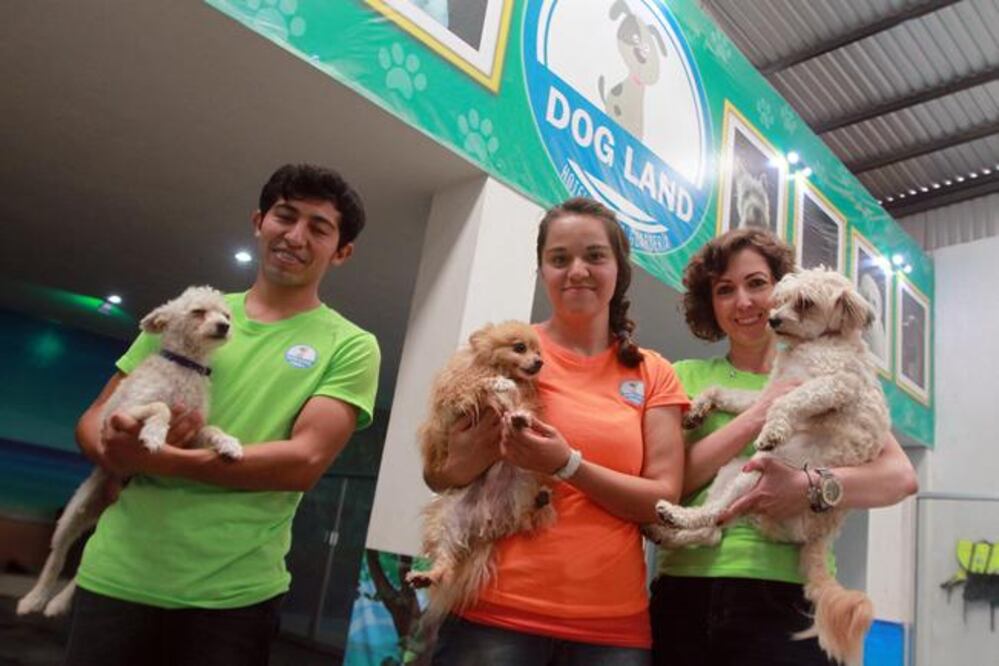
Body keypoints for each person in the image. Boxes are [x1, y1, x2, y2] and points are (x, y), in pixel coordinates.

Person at [64, 164, 381, 666]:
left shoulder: (352, 346)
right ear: (259, 221)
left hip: (232, 597)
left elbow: (303, 462)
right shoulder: (187, 311)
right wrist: (115, 446)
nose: (295, 236)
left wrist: (158, 460)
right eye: (285, 216)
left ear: (341, 252)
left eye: (319, 228)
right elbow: (95, 416)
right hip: (118, 574)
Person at [424, 197, 689, 665]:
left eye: (595, 256)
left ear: (619, 269)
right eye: (559, 259)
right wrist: (479, 450)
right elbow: (440, 473)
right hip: (492, 612)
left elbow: (664, 500)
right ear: (542, 269)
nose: (577, 271)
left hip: (611, 626)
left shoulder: (653, 373)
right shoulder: (505, 349)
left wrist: (566, 465)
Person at [649, 227, 919, 666]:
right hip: (686, 592)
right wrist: (759, 414)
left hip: (786, 597)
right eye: (724, 290)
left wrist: (808, 484)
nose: (745, 302)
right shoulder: (683, 376)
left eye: (757, 283)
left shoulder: (835, 372)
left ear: (783, 287)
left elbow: (900, 478)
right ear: (710, 304)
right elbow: (665, 485)